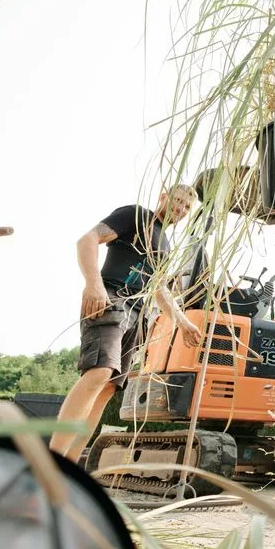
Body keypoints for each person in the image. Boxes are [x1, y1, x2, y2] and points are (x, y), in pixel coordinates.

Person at [50, 185, 204, 463]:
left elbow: (159, 289)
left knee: (108, 388)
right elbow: (87, 239)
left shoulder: (166, 245)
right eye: (177, 202)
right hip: (111, 297)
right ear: (163, 197)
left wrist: (182, 322)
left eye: (185, 208)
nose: (180, 210)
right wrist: (93, 285)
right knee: (99, 371)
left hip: (137, 311)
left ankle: (69, 466)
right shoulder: (135, 215)